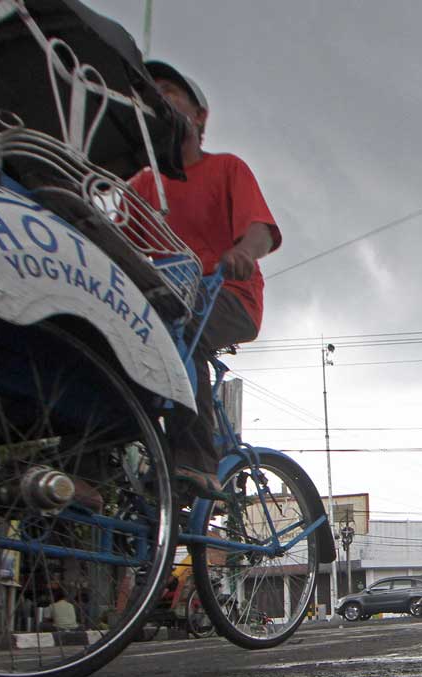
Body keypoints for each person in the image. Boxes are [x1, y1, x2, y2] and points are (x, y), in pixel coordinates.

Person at [130, 61, 282, 496]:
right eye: (148, 95)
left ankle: (198, 461)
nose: (156, 100)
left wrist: (243, 252)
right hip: (162, 298)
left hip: (227, 295)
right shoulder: (142, 184)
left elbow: (260, 229)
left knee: (180, 330)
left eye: (167, 91)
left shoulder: (226, 168)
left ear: (200, 116)